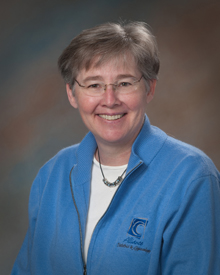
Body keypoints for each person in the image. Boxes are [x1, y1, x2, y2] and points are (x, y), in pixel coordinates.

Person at [12, 22, 220, 275]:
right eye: (93, 85)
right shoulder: (53, 174)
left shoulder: (191, 177)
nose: (109, 100)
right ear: (72, 94)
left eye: (124, 83)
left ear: (149, 88)